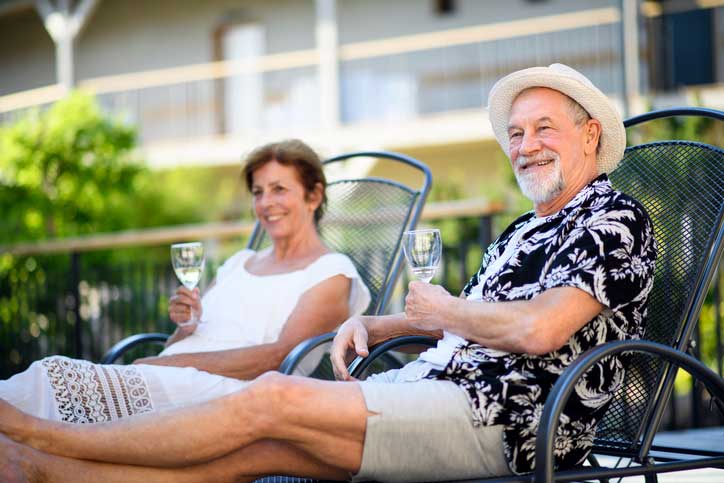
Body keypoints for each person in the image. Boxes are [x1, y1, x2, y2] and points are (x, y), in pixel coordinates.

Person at [0, 64, 656, 483]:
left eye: (544, 127)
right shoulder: (525, 229)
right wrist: (381, 320)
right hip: (437, 387)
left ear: (590, 134)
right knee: (258, 450)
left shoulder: (613, 219)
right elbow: (469, 321)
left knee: (270, 398)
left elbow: (539, 330)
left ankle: (47, 434)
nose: (526, 144)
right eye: (515, 132)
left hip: (511, 421)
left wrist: (448, 309)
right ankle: (43, 469)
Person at [0, 139, 370, 423]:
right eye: (258, 192)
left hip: (231, 395)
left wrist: (164, 366)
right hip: (176, 377)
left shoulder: (331, 272)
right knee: (48, 382)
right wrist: (186, 323)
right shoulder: (239, 262)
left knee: (52, 380)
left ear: (314, 195)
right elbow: (184, 339)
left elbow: (277, 358)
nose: (266, 203)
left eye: (279, 189)